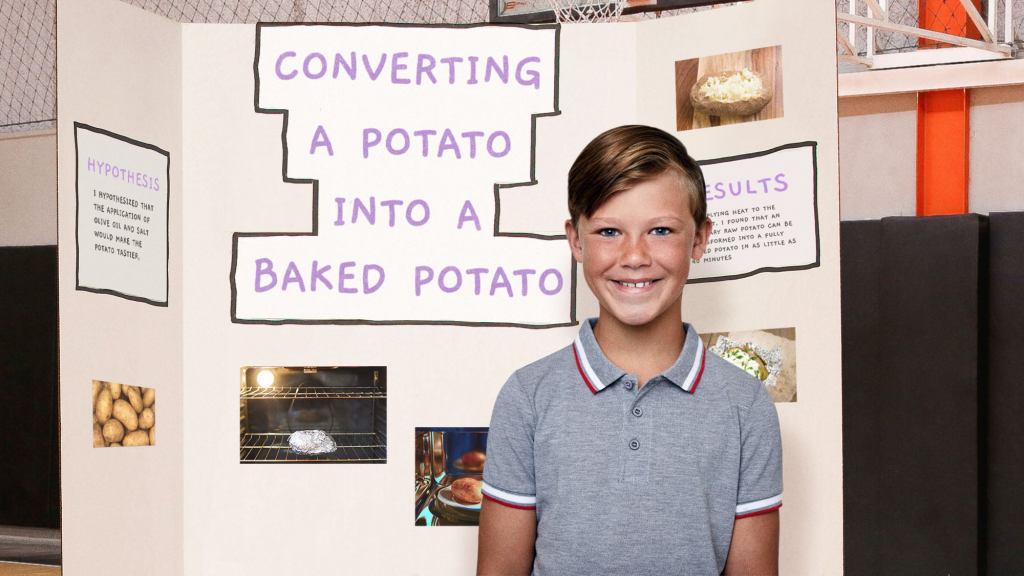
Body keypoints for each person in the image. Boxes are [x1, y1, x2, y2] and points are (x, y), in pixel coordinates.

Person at [477, 125, 783, 575]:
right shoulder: (528, 396)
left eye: (660, 230)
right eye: (608, 231)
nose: (634, 255)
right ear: (576, 240)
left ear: (698, 239)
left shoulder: (745, 404)